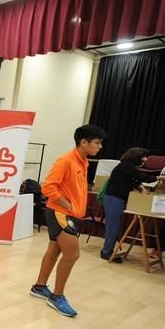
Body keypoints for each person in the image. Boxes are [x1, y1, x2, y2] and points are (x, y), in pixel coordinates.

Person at [30, 124, 106, 317]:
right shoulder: (66, 160)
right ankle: (57, 296)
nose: (100, 147)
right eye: (97, 143)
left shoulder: (83, 161)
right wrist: (69, 206)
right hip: (60, 213)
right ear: (84, 142)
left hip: (69, 213)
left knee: (54, 249)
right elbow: (48, 188)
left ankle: (39, 287)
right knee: (72, 255)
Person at [100, 147, 165, 263]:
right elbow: (142, 177)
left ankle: (108, 251)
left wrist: (140, 187)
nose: (145, 159)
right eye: (143, 157)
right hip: (114, 198)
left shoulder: (126, 167)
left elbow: (132, 180)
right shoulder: (126, 166)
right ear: (136, 157)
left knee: (115, 227)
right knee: (113, 227)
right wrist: (159, 177)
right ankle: (106, 253)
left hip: (116, 198)